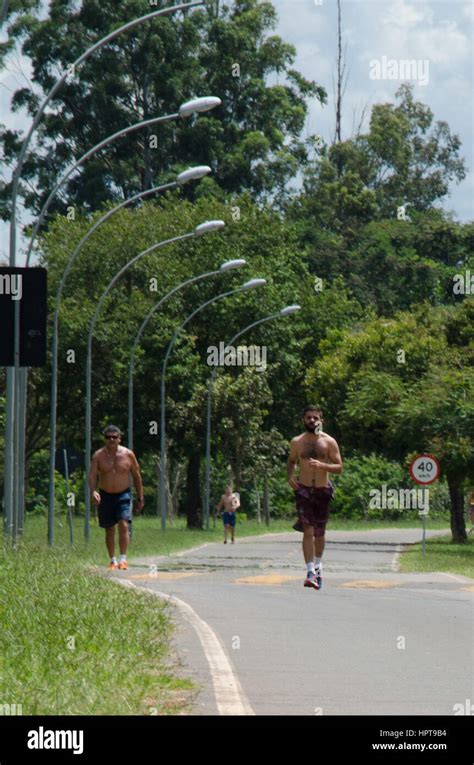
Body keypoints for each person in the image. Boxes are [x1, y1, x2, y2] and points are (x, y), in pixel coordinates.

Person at [287, 405, 343, 590]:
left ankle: (318, 565)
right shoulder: (297, 442)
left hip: (322, 490)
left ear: (321, 420)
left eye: (315, 417)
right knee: (308, 530)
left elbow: (339, 467)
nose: (312, 420)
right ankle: (309, 570)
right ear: (303, 420)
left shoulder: (329, 442)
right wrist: (290, 476)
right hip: (304, 491)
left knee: (319, 533)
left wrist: (322, 465)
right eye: (308, 417)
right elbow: (292, 461)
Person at [88, 425, 144, 570]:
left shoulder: (128, 454)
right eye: (108, 437)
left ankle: (123, 559)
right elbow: (92, 475)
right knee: (109, 529)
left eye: (114, 437)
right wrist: (93, 491)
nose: (111, 440)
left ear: (119, 438)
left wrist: (140, 497)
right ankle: (112, 560)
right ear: (105, 439)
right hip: (105, 495)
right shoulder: (98, 456)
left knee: (124, 523)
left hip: (123, 494)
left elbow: (137, 476)